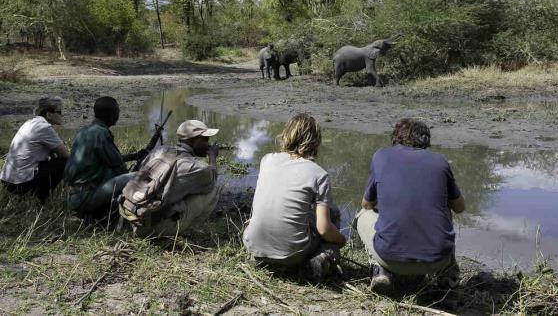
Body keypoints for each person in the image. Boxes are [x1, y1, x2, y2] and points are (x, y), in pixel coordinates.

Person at [355, 118, 465, 293]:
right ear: (426, 140)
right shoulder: (440, 161)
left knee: (361, 215)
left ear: (396, 138)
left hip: (389, 258)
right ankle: (447, 272)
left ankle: (380, 270)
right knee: (445, 210)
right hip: (437, 259)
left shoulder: (381, 156)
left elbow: (366, 204)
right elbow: (459, 207)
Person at [243, 113, 346, 280]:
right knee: (333, 215)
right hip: (292, 254)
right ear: (315, 141)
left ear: (286, 135)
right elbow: (324, 229)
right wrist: (341, 241)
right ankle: (321, 258)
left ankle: (261, 258)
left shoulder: (267, 159)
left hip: (252, 244)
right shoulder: (319, 174)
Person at [120, 119, 220, 237]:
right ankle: (188, 229)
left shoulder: (160, 150)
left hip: (129, 217)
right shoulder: (196, 167)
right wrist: (212, 157)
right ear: (191, 140)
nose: (208, 144)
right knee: (213, 190)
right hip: (150, 228)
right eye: (205, 140)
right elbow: (213, 175)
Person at [64, 96, 144, 221]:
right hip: (85, 198)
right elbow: (119, 167)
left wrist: (134, 156)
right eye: (117, 111)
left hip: (72, 198)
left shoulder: (85, 131)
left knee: (110, 172)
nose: (118, 114)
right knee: (139, 176)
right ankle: (129, 213)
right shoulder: (101, 133)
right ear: (109, 114)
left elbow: (106, 159)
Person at [0, 96, 69, 203]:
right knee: (65, 163)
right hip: (19, 185)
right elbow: (66, 154)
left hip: (8, 181)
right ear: (49, 114)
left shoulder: (31, 122)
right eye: (59, 111)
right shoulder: (44, 128)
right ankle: (40, 198)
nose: (62, 115)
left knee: (53, 160)